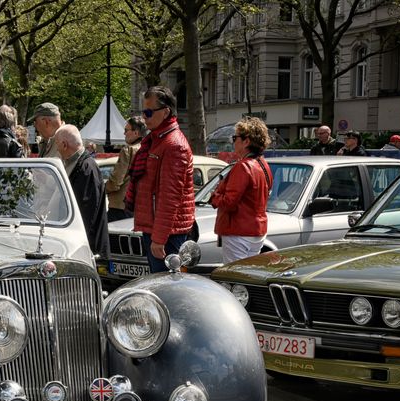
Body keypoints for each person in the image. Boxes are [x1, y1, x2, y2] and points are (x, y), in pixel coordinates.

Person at [125, 86, 195, 273]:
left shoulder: (173, 145)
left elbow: (170, 197)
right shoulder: (157, 140)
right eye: (143, 112)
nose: (144, 117)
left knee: (168, 289)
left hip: (167, 233)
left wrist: (159, 238)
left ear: (165, 112)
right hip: (159, 229)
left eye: (148, 112)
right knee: (161, 286)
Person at [209, 118, 273, 263]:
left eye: (235, 138)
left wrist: (215, 197)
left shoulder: (243, 166)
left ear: (246, 141)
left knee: (235, 277)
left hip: (238, 231)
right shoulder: (263, 165)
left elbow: (229, 203)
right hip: (256, 230)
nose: (233, 142)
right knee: (248, 275)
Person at [56, 124, 107, 256]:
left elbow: (86, 212)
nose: (57, 149)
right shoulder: (77, 164)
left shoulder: (86, 168)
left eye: (57, 144)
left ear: (64, 144)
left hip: (87, 247)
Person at [104, 116, 146, 222]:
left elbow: (116, 180)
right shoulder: (149, 150)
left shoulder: (128, 150)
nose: (124, 133)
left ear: (136, 133)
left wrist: (103, 188)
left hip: (121, 206)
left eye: (126, 130)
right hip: (141, 206)